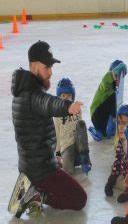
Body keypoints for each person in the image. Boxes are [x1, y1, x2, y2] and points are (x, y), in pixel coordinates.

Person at [11, 40, 87, 217]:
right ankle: (35, 195)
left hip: (32, 164)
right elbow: (48, 103)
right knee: (79, 198)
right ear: (35, 66)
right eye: (47, 67)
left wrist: (53, 158)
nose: (50, 72)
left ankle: (32, 187)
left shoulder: (24, 91)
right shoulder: (33, 95)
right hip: (40, 170)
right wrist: (67, 107)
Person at [54, 78, 92, 175]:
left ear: (73, 96)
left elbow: (81, 130)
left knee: (81, 123)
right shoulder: (57, 113)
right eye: (63, 96)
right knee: (69, 172)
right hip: (66, 146)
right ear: (59, 97)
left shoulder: (77, 110)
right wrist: (57, 152)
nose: (66, 98)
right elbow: (57, 133)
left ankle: (84, 158)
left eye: (69, 95)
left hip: (78, 143)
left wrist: (83, 149)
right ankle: (72, 160)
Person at [105, 104, 128, 203]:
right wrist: (111, 180)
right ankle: (113, 183)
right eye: (119, 123)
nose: (120, 127)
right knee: (114, 167)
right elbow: (119, 159)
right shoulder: (121, 139)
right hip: (124, 167)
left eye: (124, 124)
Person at [89, 60, 127, 141]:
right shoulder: (105, 85)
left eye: (119, 77)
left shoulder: (116, 89)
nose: (117, 79)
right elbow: (106, 78)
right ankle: (102, 128)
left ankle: (107, 128)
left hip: (104, 116)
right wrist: (115, 71)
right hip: (96, 115)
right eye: (116, 76)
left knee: (118, 102)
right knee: (113, 98)